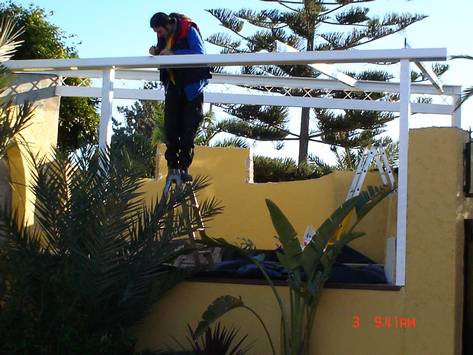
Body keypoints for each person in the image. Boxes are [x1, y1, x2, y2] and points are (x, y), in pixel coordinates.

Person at [149, 12, 211, 182]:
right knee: (170, 127)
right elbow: (165, 52)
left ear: (168, 25)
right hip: (174, 86)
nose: (158, 35)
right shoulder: (165, 38)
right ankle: (172, 166)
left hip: (192, 87)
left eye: (159, 31)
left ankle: (183, 167)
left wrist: (174, 53)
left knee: (188, 128)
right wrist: (156, 51)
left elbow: (199, 53)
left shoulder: (188, 30)